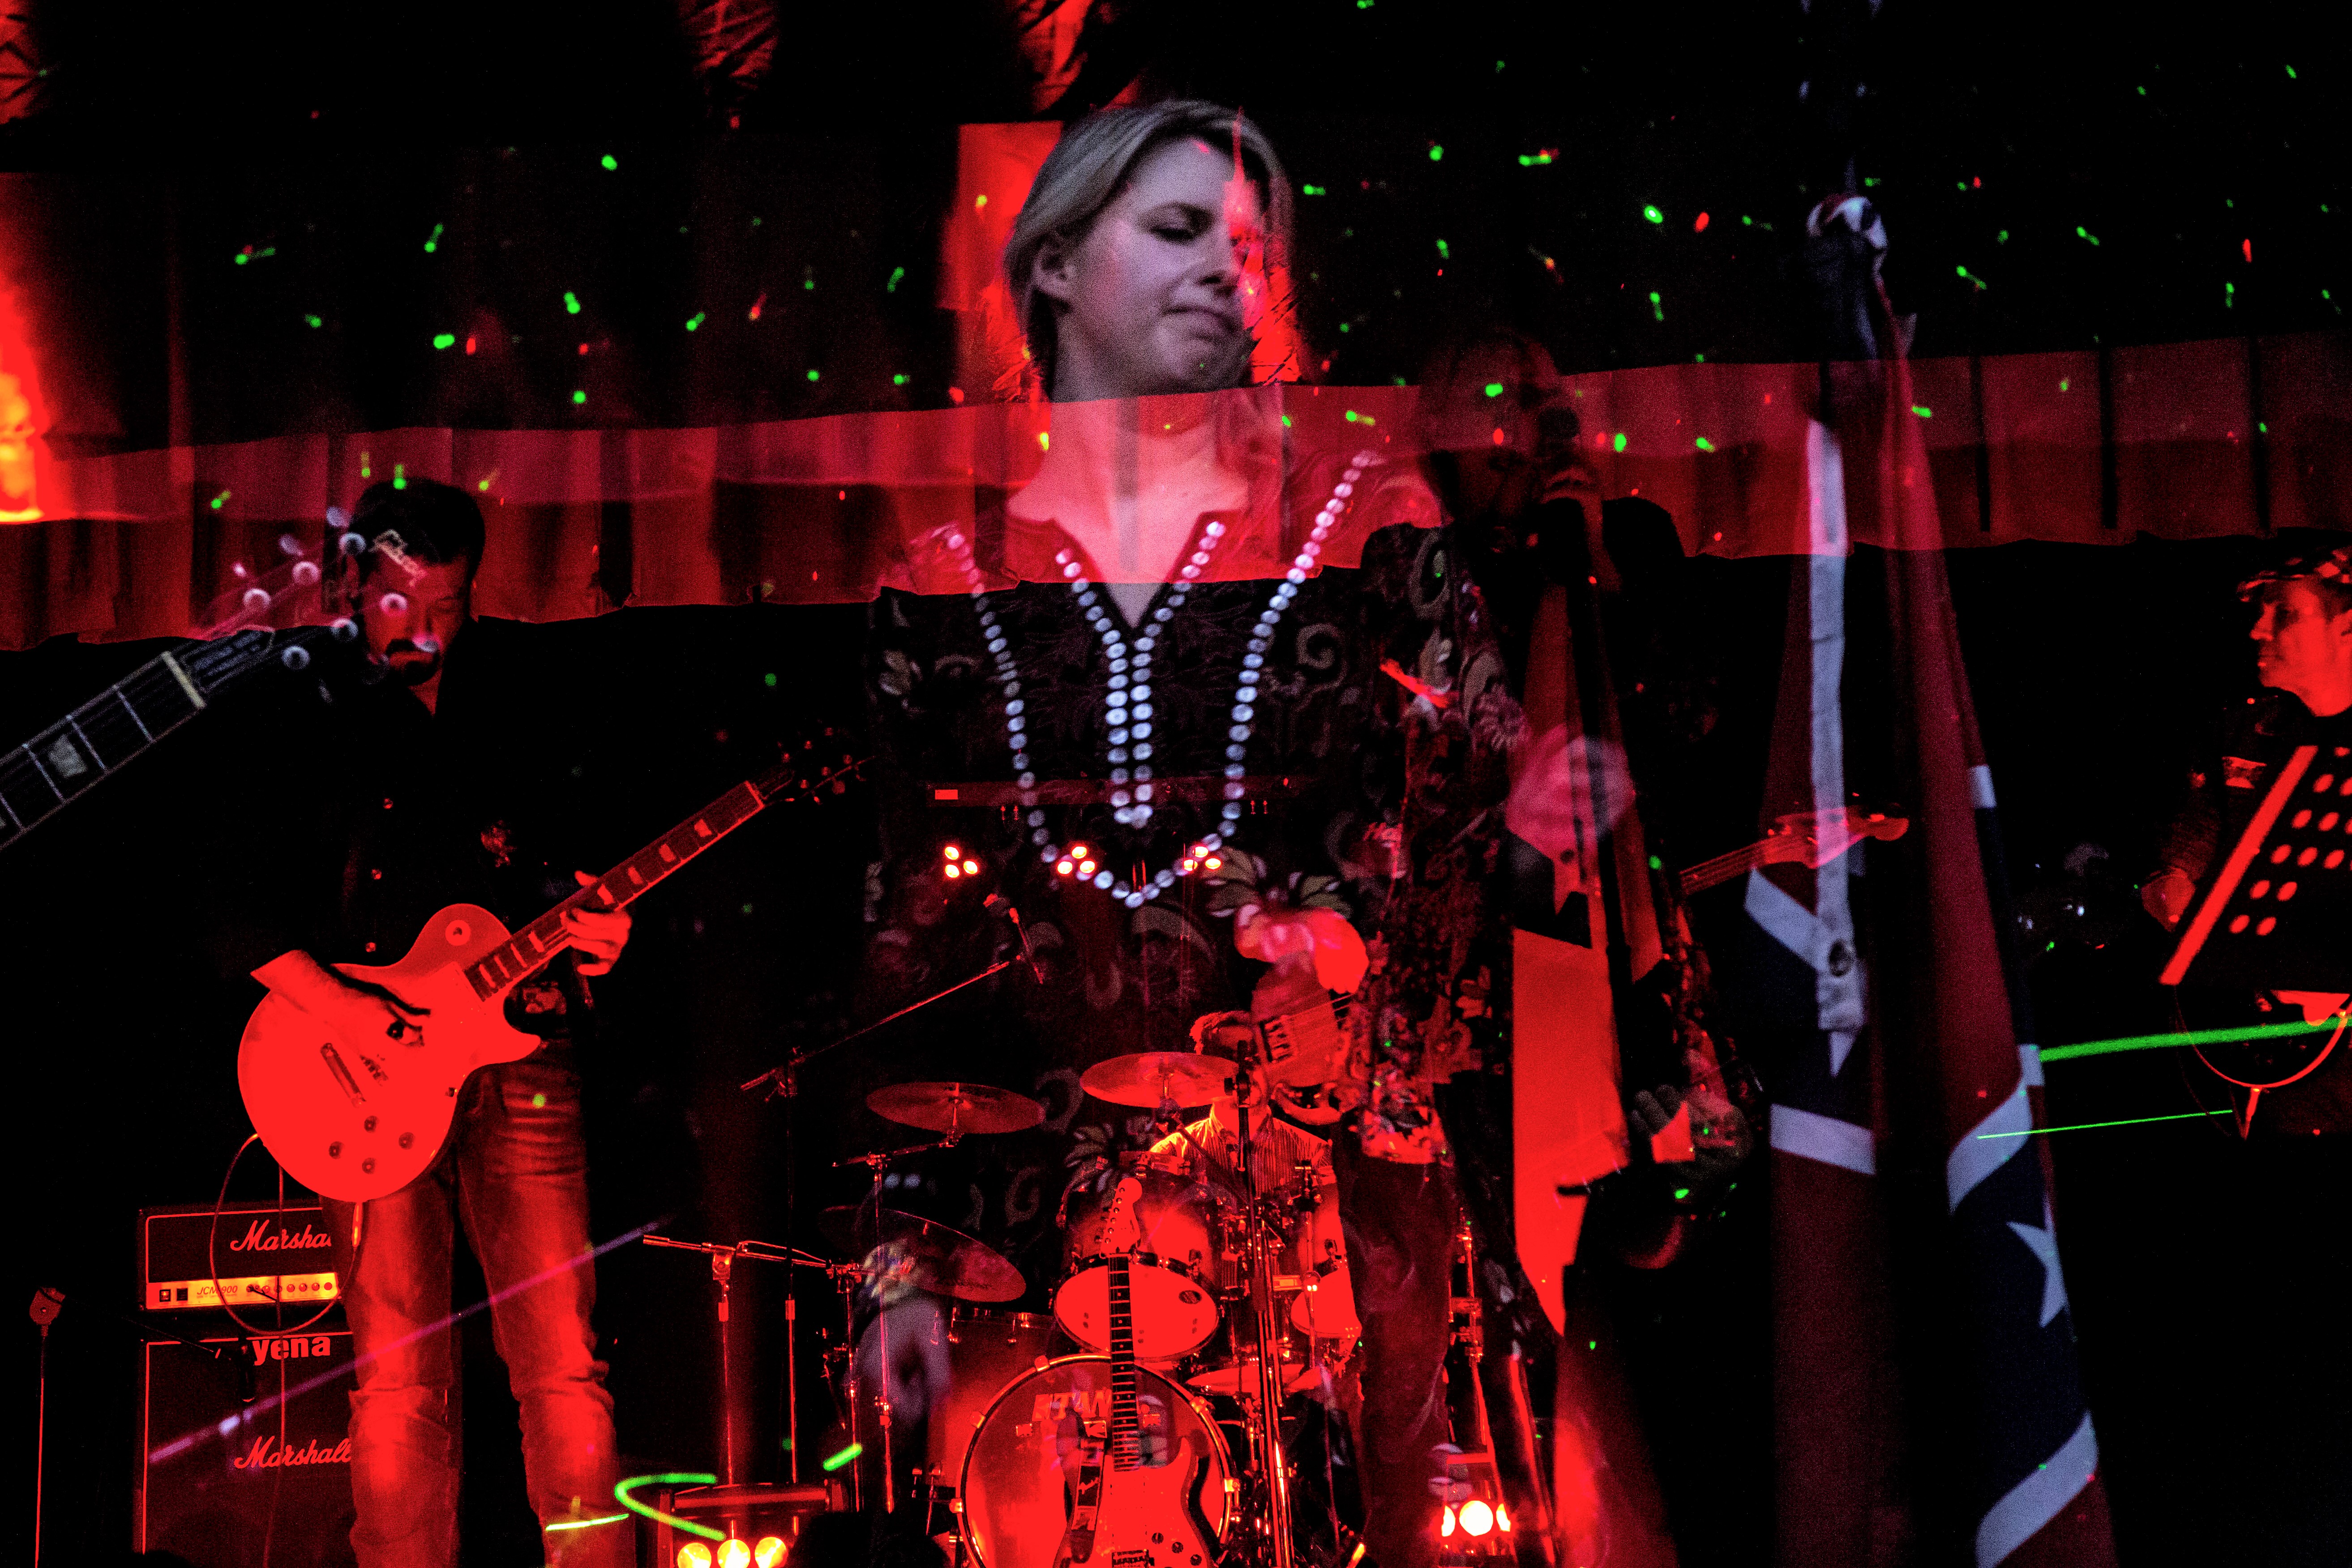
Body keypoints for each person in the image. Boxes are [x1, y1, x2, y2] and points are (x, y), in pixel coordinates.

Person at [857, 99, 1495, 1568]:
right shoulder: (948, 578)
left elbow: (1465, 786)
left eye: (1251, 246)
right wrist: (901, 1259)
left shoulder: (1362, 526)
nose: (1225, 271)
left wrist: (1348, 931)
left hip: (1330, 1137)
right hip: (1068, 1180)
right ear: (1054, 266)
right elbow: (899, 977)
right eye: (1176, 229)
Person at [218, 480, 634, 1568]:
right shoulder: (296, 705)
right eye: (402, 603)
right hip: (364, 1069)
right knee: (398, 1375)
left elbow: (554, 863)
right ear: (354, 585)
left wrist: (596, 924)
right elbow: (219, 898)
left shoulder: (519, 693)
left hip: (525, 1048)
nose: (425, 630)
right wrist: (343, 1006)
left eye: (447, 605)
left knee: (563, 1360)